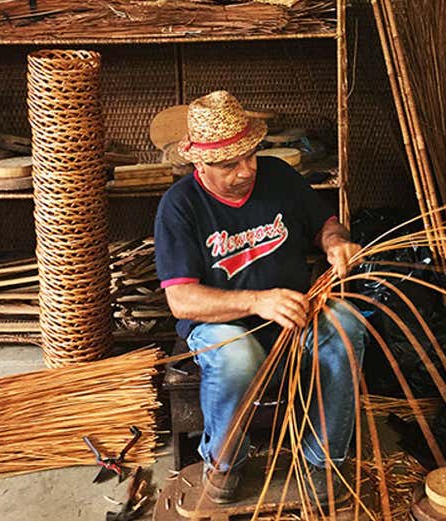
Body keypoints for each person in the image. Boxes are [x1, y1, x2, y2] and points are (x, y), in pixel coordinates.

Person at [154, 90, 366, 504]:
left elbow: (324, 221)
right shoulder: (179, 206)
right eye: (229, 163)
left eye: (250, 155)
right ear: (199, 161)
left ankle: (322, 461)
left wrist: (336, 241)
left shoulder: (278, 176)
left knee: (347, 327)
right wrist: (256, 302)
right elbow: (182, 300)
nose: (246, 170)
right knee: (238, 359)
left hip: (297, 311)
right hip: (222, 325)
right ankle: (223, 466)